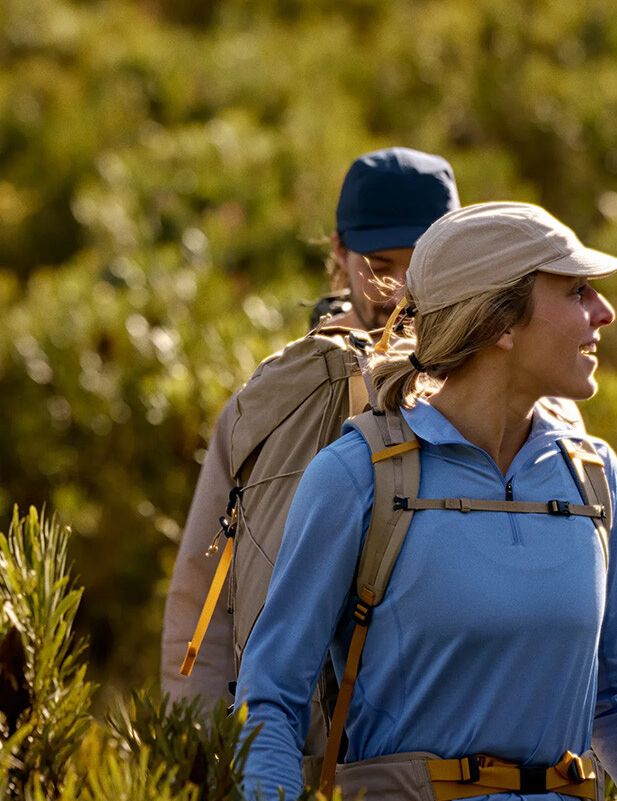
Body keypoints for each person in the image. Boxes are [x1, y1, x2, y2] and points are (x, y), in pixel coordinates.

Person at [235, 203, 617, 801]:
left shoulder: (591, 475)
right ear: (500, 323)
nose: (604, 312)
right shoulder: (355, 476)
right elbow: (271, 698)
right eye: (575, 291)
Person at [160, 147, 460, 713]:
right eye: (381, 263)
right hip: (297, 747)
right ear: (339, 251)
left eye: (422, 263)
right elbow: (201, 599)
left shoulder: (509, 387)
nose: (401, 289)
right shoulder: (276, 398)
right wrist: (199, 744)